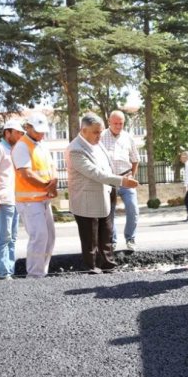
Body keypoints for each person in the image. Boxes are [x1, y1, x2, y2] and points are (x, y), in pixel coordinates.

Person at [66, 113, 139, 274]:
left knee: (106, 232)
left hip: (105, 194)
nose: (100, 136)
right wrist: (121, 181)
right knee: (90, 237)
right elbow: (95, 173)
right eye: (96, 132)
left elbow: (107, 166)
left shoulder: (97, 143)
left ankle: (107, 264)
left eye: (100, 132)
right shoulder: (75, 149)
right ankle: (91, 267)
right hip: (86, 200)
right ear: (83, 130)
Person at [11, 115, 58, 278]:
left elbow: (52, 167)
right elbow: (26, 174)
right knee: (39, 237)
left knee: (50, 238)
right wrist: (47, 186)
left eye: (43, 132)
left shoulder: (42, 145)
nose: (41, 135)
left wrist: (54, 183)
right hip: (30, 202)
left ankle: (41, 272)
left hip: (43, 199)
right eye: (38, 132)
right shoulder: (22, 146)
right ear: (28, 127)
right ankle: (34, 276)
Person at [0, 119, 25, 280]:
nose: (20, 135)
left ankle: (10, 270)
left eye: (21, 133)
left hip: (15, 199)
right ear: (7, 132)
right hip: (3, 200)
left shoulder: (14, 150)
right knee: (4, 237)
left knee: (13, 238)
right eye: (17, 132)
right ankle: (3, 273)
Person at [101, 110, 140, 251]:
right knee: (109, 212)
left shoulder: (128, 138)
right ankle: (112, 240)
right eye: (115, 123)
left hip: (126, 178)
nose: (118, 126)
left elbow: (135, 159)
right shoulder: (101, 136)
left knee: (133, 209)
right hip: (109, 179)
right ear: (109, 122)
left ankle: (131, 238)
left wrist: (132, 176)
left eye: (121, 123)